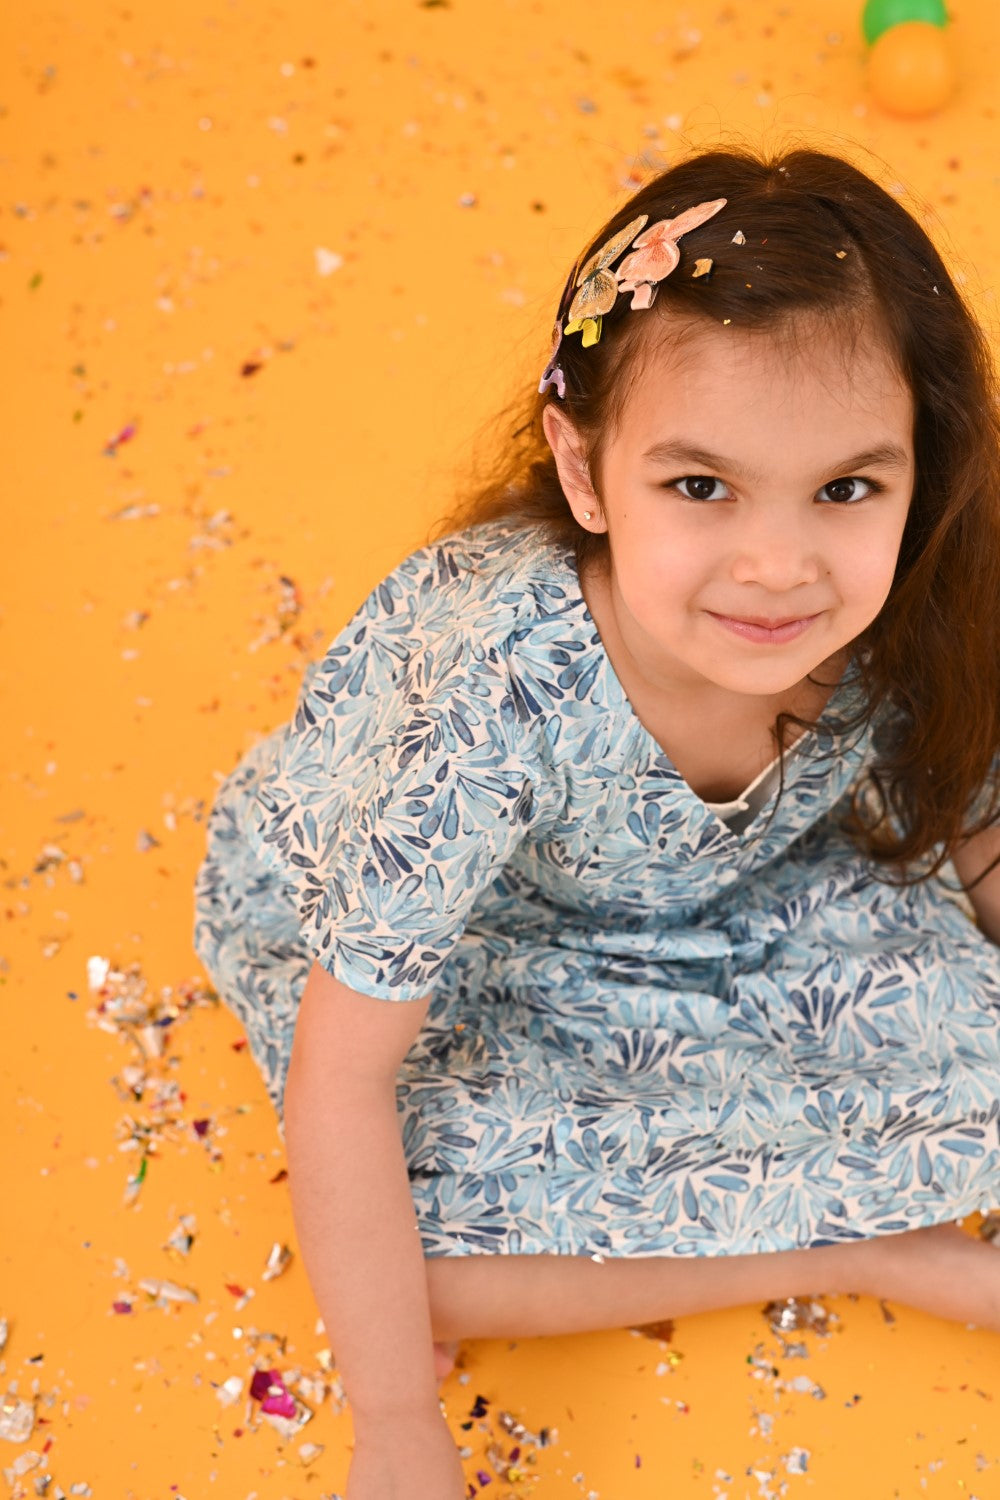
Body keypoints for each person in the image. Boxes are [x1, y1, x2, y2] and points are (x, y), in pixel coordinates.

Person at [193, 142, 1000, 1497]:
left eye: (847, 489)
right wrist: (395, 1434)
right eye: (700, 487)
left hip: (732, 898)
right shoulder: (496, 693)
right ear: (583, 473)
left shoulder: (902, 604)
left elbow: (974, 823)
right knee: (417, 1270)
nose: (778, 565)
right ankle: (858, 1251)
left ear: (919, 470)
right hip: (478, 942)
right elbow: (345, 1079)